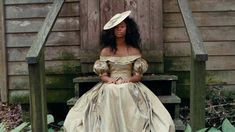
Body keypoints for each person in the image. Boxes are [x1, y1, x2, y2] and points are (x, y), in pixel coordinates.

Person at [64, 10, 175, 132]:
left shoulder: (134, 51)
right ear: (112, 31)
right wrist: (110, 80)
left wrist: (127, 80)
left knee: (125, 88)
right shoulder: (106, 51)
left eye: (122, 26)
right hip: (110, 83)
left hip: (130, 82)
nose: (119, 29)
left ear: (128, 28)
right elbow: (103, 76)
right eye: (116, 27)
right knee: (111, 89)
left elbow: (138, 76)